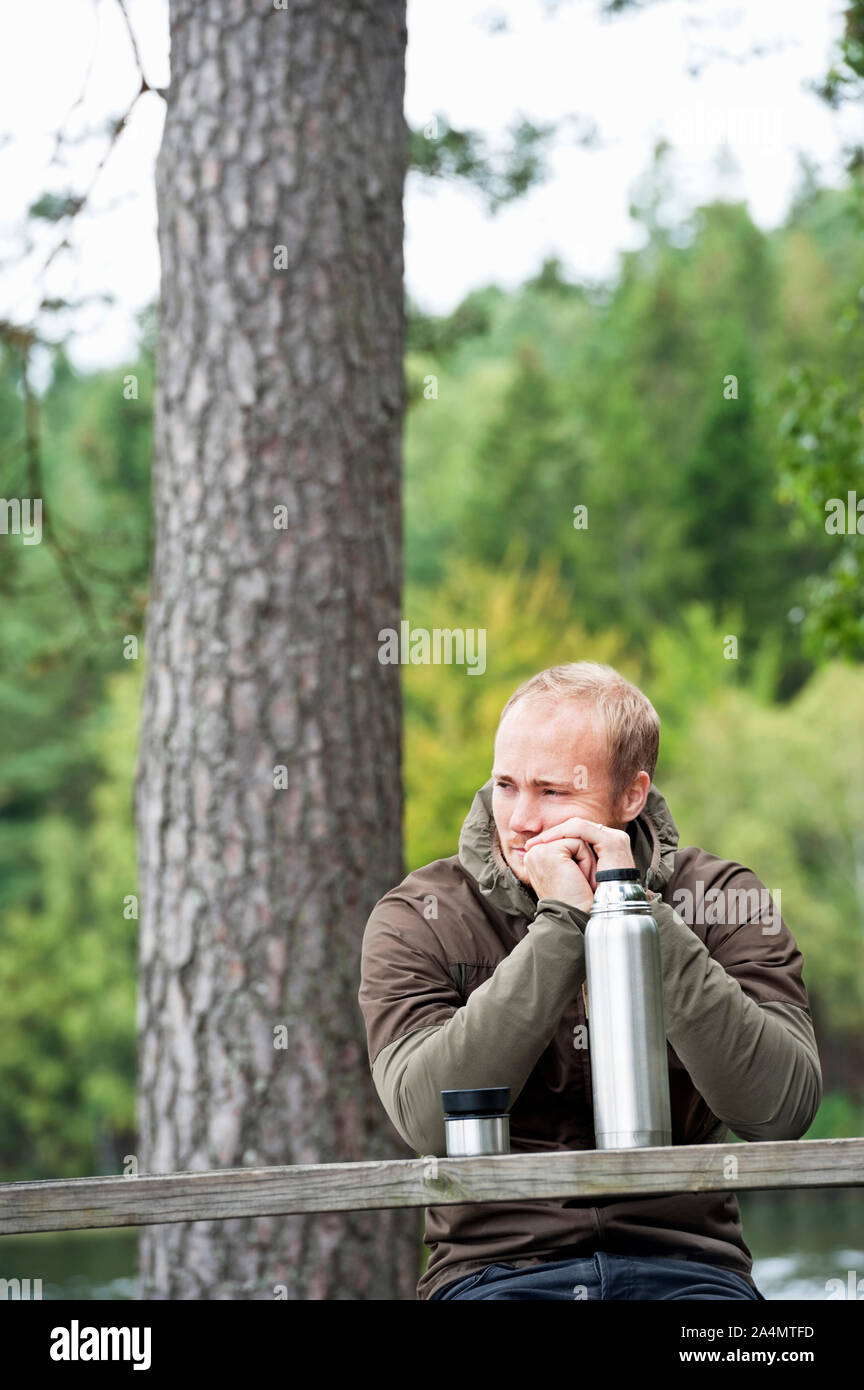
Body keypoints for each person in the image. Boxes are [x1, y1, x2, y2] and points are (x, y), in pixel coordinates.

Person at [358, 662, 822, 1301]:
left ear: (631, 796)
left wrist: (629, 908)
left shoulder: (722, 899)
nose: (520, 820)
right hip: (498, 1273)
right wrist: (561, 928)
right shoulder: (422, 915)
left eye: (552, 791)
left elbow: (782, 1111)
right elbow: (426, 1122)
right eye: (505, 785)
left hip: (688, 1268)